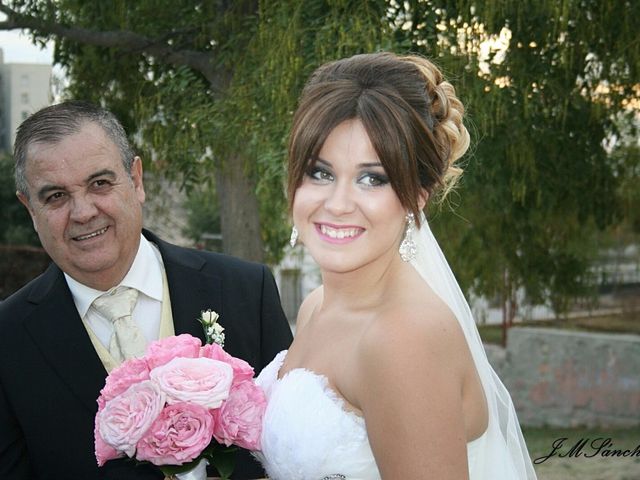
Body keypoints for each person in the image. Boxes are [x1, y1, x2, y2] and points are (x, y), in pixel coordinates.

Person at [254, 52, 537, 479]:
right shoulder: (316, 306)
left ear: (417, 195)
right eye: (319, 172)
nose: (338, 204)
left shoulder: (404, 337)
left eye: (373, 178)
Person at [0, 101, 293, 480]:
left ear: (136, 180)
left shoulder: (246, 291)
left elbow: (289, 450)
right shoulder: (8, 340)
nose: (83, 211)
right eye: (56, 196)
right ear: (30, 209)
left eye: (100, 183)